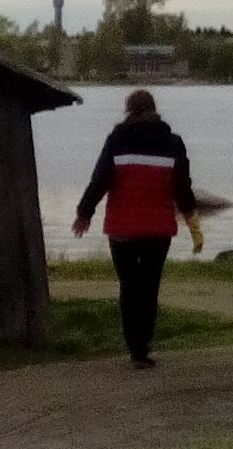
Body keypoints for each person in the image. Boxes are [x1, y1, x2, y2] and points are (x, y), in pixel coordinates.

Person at [73, 88, 201, 369]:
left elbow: (100, 181)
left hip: (122, 228)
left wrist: (84, 213)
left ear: (127, 110)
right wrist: (192, 219)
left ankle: (134, 349)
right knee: (149, 287)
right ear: (155, 110)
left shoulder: (117, 140)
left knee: (130, 286)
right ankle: (143, 348)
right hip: (158, 229)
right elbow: (182, 186)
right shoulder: (173, 143)